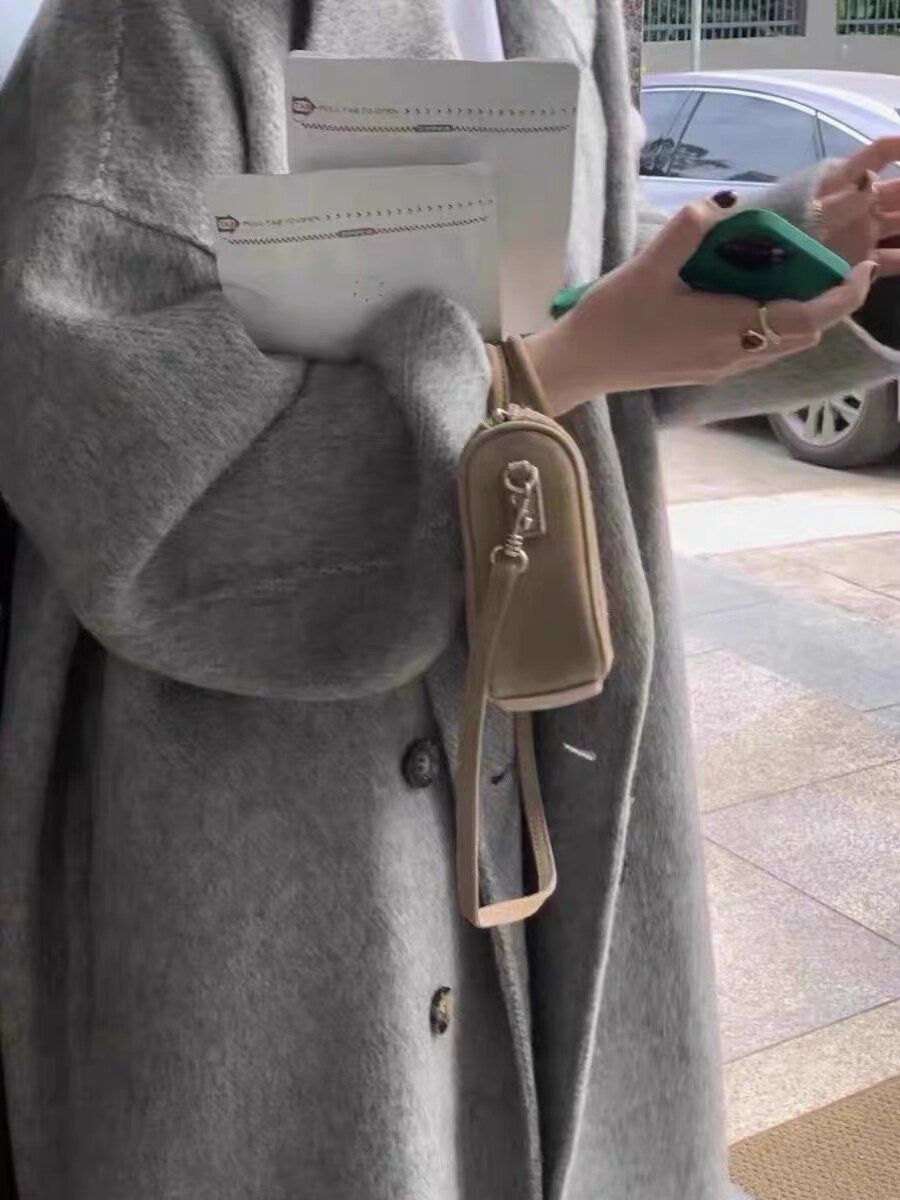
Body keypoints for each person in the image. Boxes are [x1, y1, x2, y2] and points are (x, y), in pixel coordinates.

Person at [1, 2, 899, 1198]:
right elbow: (128, 479)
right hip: (276, 792)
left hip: (548, 683)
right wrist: (552, 367)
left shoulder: (577, 11)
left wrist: (796, 247)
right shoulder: (150, 25)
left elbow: (579, 291)